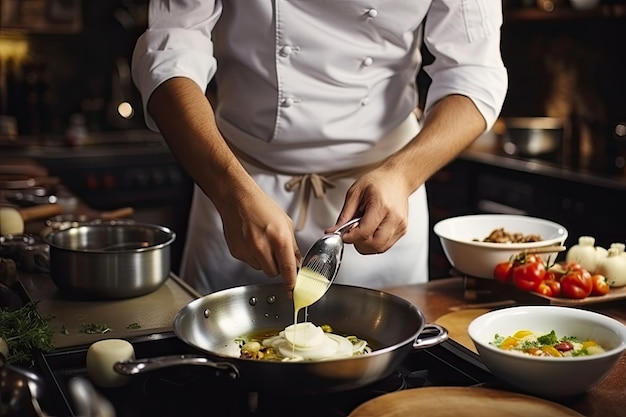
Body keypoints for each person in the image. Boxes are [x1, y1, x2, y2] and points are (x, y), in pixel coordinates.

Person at [131, 1, 508, 295]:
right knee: (219, 372)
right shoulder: (232, 191)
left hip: (382, 200)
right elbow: (169, 50)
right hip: (237, 185)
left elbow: (474, 74)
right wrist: (231, 194)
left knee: (386, 370)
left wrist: (402, 174)